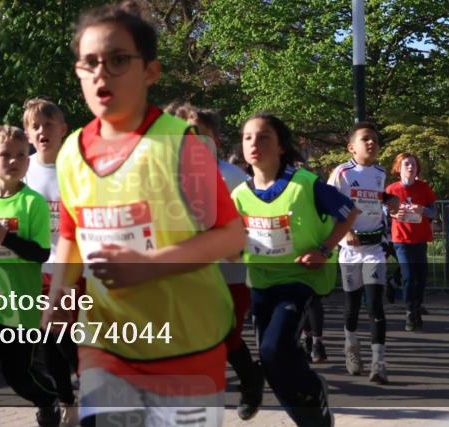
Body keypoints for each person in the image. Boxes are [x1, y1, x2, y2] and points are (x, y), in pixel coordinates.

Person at [42, 0, 245, 427]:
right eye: (89, 62)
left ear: (150, 71)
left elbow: (230, 236)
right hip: (108, 342)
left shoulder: (180, 144)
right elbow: (71, 232)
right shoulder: (71, 153)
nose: (101, 73)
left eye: (118, 60)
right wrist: (60, 287)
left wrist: (149, 265)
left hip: (187, 345)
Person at [233, 112, 356, 427]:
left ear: (281, 147)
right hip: (260, 283)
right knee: (274, 363)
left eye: (263, 137)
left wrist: (324, 249)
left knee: (274, 350)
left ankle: (314, 393)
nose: (254, 144)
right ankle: (309, 414)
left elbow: (349, 213)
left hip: (300, 280)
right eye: (248, 137)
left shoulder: (305, 184)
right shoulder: (239, 194)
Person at [164, 102, 264, 421]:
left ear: (214, 140)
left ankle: (250, 381)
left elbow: (250, 224)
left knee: (227, 336)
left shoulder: (232, 177)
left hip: (230, 273)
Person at [0, 125, 60, 427]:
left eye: (21, 155)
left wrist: (6, 238)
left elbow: (40, 253)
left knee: (19, 376)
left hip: (21, 304)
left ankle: (48, 399)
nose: (15, 161)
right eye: (5, 155)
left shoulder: (33, 203)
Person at [328, 122, 399, 384]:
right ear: (351, 147)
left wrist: (392, 203)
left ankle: (379, 362)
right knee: (352, 308)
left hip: (374, 250)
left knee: (376, 305)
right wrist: (345, 231)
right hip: (350, 250)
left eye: (376, 140)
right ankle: (351, 346)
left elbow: (378, 201)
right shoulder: (342, 172)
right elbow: (331, 203)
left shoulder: (380, 173)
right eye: (366, 139)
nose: (372, 143)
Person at [21, 96, 78, 421]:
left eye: (49, 125)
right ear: (28, 134)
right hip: (36, 267)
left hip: (70, 266)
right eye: (35, 126)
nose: (42, 130)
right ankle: (67, 401)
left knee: (61, 335)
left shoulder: (74, 170)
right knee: (47, 339)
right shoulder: (24, 171)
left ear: (62, 130)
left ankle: (87, 379)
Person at [386, 152, 438, 331]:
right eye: (406, 164)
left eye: (414, 165)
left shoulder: (424, 188)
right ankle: (410, 311)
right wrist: (393, 213)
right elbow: (382, 212)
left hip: (420, 238)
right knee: (408, 277)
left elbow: (434, 212)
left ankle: (417, 305)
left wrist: (422, 209)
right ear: (398, 168)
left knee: (421, 277)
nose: (410, 167)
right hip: (401, 239)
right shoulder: (391, 190)